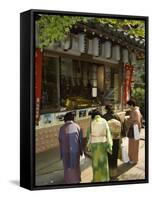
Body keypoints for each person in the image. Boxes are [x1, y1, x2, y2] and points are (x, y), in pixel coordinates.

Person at [87, 109, 113, 182]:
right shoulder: (104, 121)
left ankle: (97, 179)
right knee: (103, 162)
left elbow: (88, 134)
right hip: (103, 144)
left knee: (96, 163)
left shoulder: (92, 122)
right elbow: (108, 133)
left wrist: (88, 145)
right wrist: (109, 145)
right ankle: (104, 178)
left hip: (95, 145)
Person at [58, 112, 83, 184]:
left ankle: (68, 180)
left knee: (66, 166)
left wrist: (61, 153)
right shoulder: (77, 126)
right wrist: (81, 151)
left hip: (65, 151)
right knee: (75, 165)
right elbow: (80, 140)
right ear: (73, 118)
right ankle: (76, 179)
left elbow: (60, 140)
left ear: (65, 119)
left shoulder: (62, 128)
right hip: (75, 151)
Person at [103, 104, 122, 178]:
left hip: (108, 139)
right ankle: (114, 173)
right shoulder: (116, 116)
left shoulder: (104, 117)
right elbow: (121, 126)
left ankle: (108, 173)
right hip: (116, 139)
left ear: (106, 109)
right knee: (114, 156)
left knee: (109, 156)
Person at [126, 99, 142, 164]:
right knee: (131, 144)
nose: (128, 107)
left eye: (129, 106)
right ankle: (131, 159)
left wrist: (130, 121)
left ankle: (134, 160)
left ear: (132, 105)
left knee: (134, 145)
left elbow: (137, 122)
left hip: (135, 129)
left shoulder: (136, 111)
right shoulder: (133, 110)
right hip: (133, 128)